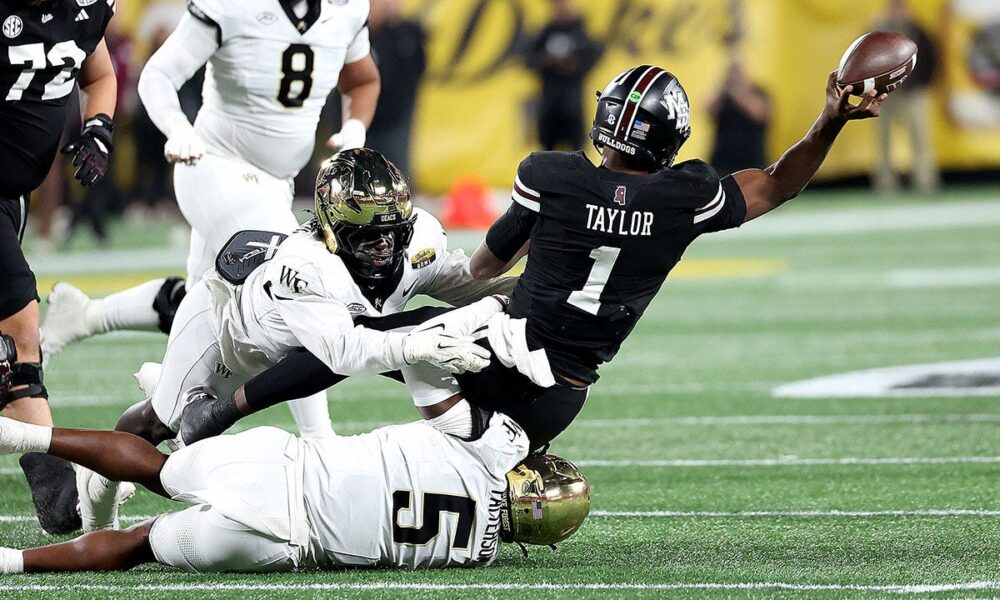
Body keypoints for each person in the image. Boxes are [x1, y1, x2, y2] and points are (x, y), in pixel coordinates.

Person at [192, 65, 887, 451]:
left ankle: (224, 410)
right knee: (402, 348)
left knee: (370, 334)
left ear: (606, 121)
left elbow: (485, 269)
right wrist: (830, 119)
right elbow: (777, 183)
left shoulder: (552, 176)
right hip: (563, 396)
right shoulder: (688, 195)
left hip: (499, 357)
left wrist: (530, 261)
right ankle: (506, 466)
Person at [76, 148, 515, 532]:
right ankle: (96, 489)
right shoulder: (307, 265)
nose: (383, 246)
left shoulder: (418, 238)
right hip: (225, 337)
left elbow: (458, 282)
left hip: (307, 348)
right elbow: (342, 353)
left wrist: (527, 291)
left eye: (391, 231)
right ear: (331, 229)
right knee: (160, 425)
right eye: (365, 235)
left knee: (429, 336)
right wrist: (414, 345)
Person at [41, 0, 383, 442]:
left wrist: (355, 128)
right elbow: (158, 74)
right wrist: (177, 127)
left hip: (275, 182)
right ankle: (319, 439)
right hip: (215, 164)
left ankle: (89, 318)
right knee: (293, 285)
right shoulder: (234, 5)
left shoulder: (346, 9)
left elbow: (363, 80)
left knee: (207, 305)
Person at [0, 410, 590, 573]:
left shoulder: (495, 448)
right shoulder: (478, 554)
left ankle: (24, 434)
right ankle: (12, 563)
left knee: (157, 468)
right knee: (139, 544)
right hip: (277, 540)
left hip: (286, 466)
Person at [1, 0, 119, 534]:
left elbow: (99, 75)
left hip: (11, 194)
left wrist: (99, 127)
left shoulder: (82, 9)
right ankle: (57, 492)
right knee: (19, 336)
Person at [872, 0, 939, 195]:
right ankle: (885, 182)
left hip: (912, 92)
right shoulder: (877, 32)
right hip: (885, 95)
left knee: (919, 136)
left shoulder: (917, 30)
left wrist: (923, 83)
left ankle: (925, 180)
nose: (898, 13)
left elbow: (931, 56)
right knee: (883, 139)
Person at [526, 0, 602, 151]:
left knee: (576, 153)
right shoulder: (546, 31)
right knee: (547, 152)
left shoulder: (580, 31)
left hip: (572, 104)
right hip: (549, 105)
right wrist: (548, 62)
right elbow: (530, 60)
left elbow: (594, 55)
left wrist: (574, 66)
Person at [365, 0, 426, 178]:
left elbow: (417, 66)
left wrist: (398, 23)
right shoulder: (355, 36)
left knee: (395, 174)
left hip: (394, 121)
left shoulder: (403, 35)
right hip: (362, 119)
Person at [707, 60, 771, 177]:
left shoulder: (758, 92)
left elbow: (758, 113)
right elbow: (707, 109)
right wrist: (721, 86)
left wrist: (737, 90)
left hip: (751, 161)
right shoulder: (724, 95)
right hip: (722, 162)